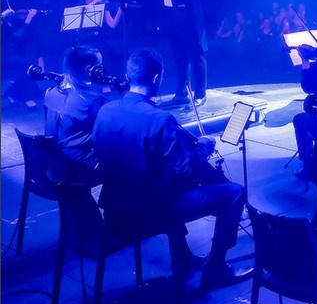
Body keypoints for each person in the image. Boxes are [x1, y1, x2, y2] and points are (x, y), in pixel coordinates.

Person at [92, 48, 249, 289]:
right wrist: (204, 147)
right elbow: (188, 169)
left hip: (114, 213)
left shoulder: (105, 110)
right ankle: (216, 268)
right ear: (157, 78)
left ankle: (184, 258)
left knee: (166, 184)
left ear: (128, 74)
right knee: (235, 192)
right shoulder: (159, 120)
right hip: (146, 214)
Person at [43, 45, 111, 185]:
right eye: (99, 66)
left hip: (55, 164)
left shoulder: (50, 92)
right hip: (78, 167)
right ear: (89, 69)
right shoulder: (92, 101)